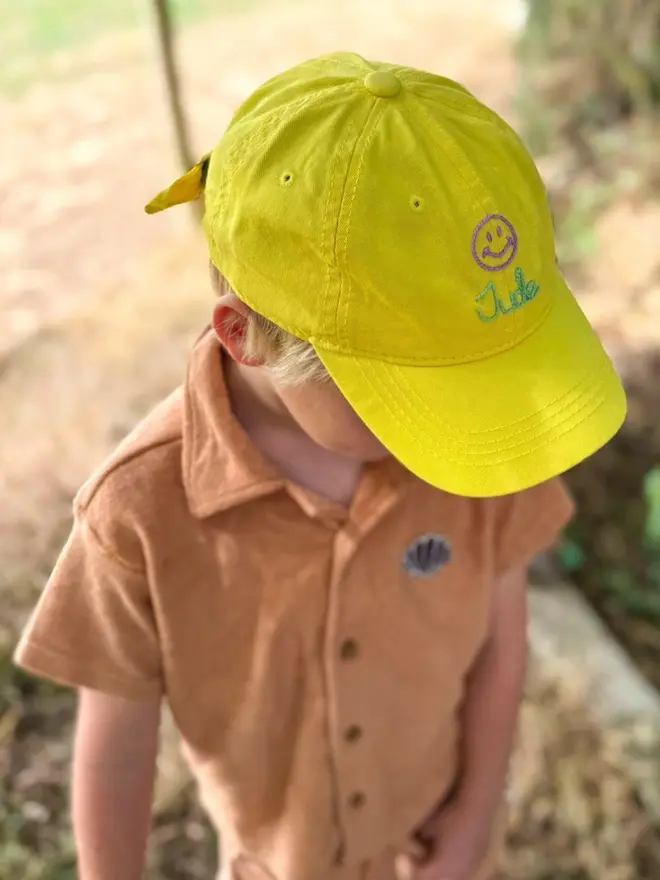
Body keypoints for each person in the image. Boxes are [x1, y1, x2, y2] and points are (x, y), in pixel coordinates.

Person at [14, 53, 626, 880]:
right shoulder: (137, 516)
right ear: (247, 337)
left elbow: (500, 633)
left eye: (477, 379)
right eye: (418, 392)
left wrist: (476, 818)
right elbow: (116, 740)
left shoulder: (484, 442)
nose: (462, 424)